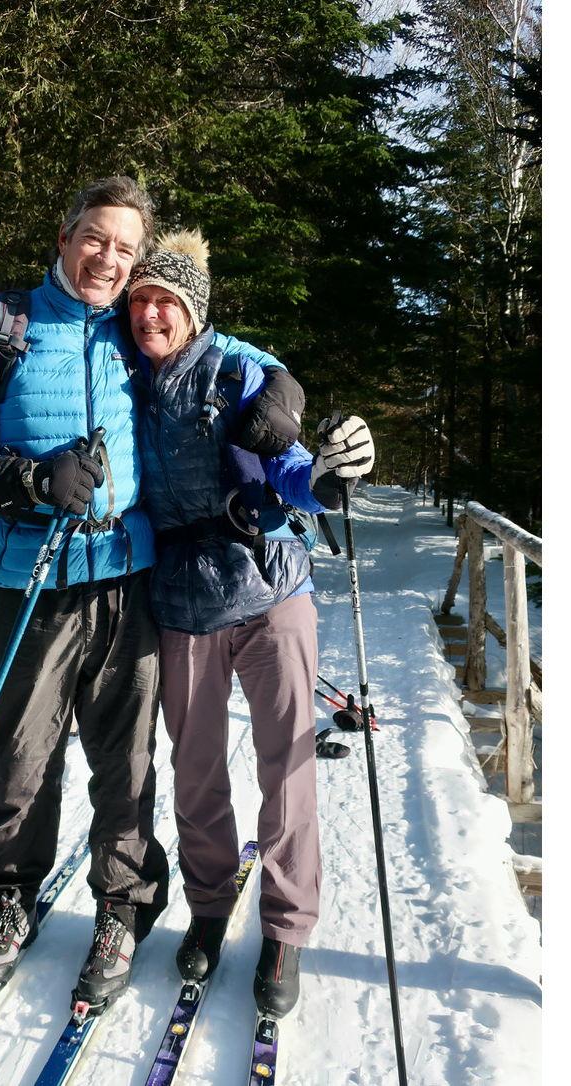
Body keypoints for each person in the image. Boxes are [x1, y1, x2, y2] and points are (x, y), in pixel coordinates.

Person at [0, 177, 299, 1015]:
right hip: (34, 576)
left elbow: (220, 343)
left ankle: (123, 910)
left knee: (125, 763)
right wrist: (21, 478)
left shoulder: (139, 329)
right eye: (96, 238)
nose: (108, 258)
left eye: (125, 249)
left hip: (130, 577)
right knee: (22, 757)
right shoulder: (3, 324)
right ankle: (10, 905)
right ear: (65, 237)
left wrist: (279, 384)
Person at [126, 229, 375, 1018]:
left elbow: (290, 464)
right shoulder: (122, 374)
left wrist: (330, 475)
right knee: (195, 770)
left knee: (287, 766)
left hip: (270, 589)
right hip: (181, 602)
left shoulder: (237, 370)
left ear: (194, 311)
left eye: (168, 301)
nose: (152, 314)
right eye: (141, 300)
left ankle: (286, 927)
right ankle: (207, 906)